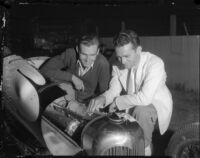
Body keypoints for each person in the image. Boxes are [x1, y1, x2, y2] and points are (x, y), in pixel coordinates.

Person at [87, 30, 173, 156]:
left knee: (141, 112)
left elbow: (145, 99)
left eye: (127, 56)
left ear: (138, 50)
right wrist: (102, 98)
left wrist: (117, 102)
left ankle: (145, 148)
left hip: (155, 103)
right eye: (119, 57)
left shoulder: (155, 63)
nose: (122, 61)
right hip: (131, 102)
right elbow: (114, 90)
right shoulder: (117, 65)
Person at [40, 33, 110, 115]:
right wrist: (72, 77)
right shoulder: (70, 54)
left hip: (86, 103)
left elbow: (104, 94)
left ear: (98, 51)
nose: (88, 60)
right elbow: (44, 70)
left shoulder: (103, 63)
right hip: (64, 97)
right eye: (83, 54)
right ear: (77, 49)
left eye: (92, 55)